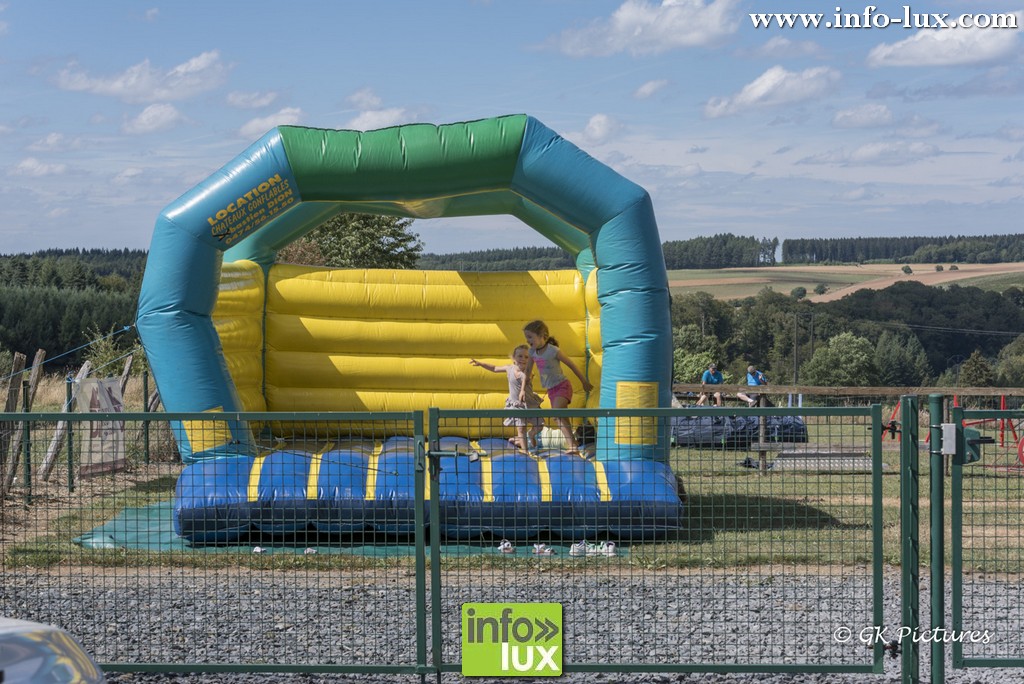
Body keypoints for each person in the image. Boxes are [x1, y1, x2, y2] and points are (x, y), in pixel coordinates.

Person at [522, 320, 593, 456]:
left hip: (562, 386)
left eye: (530, 337)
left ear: (542, 335)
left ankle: (572, 447)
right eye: (526, 337)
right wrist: (523, 390)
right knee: (562, 418)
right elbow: (527, 371)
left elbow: (572, 365)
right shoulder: (532, 352)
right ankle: (574, 445)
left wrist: (584, 381)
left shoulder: (553, 351)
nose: (528, 340)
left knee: (557, 415)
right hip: (551, 390)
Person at [471, 345, 544, 452]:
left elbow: (525, 379)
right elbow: (494, 368)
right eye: (520, 356)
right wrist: (481, 364)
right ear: (514, 358)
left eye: (526, 357)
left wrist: (523, 389)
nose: (523, 359)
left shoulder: (528, 372)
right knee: (521, 428)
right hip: (517, 404)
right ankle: (524, 450)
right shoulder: (509, 369)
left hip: (529, 404)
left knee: (540, 425)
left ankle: (531, 434)